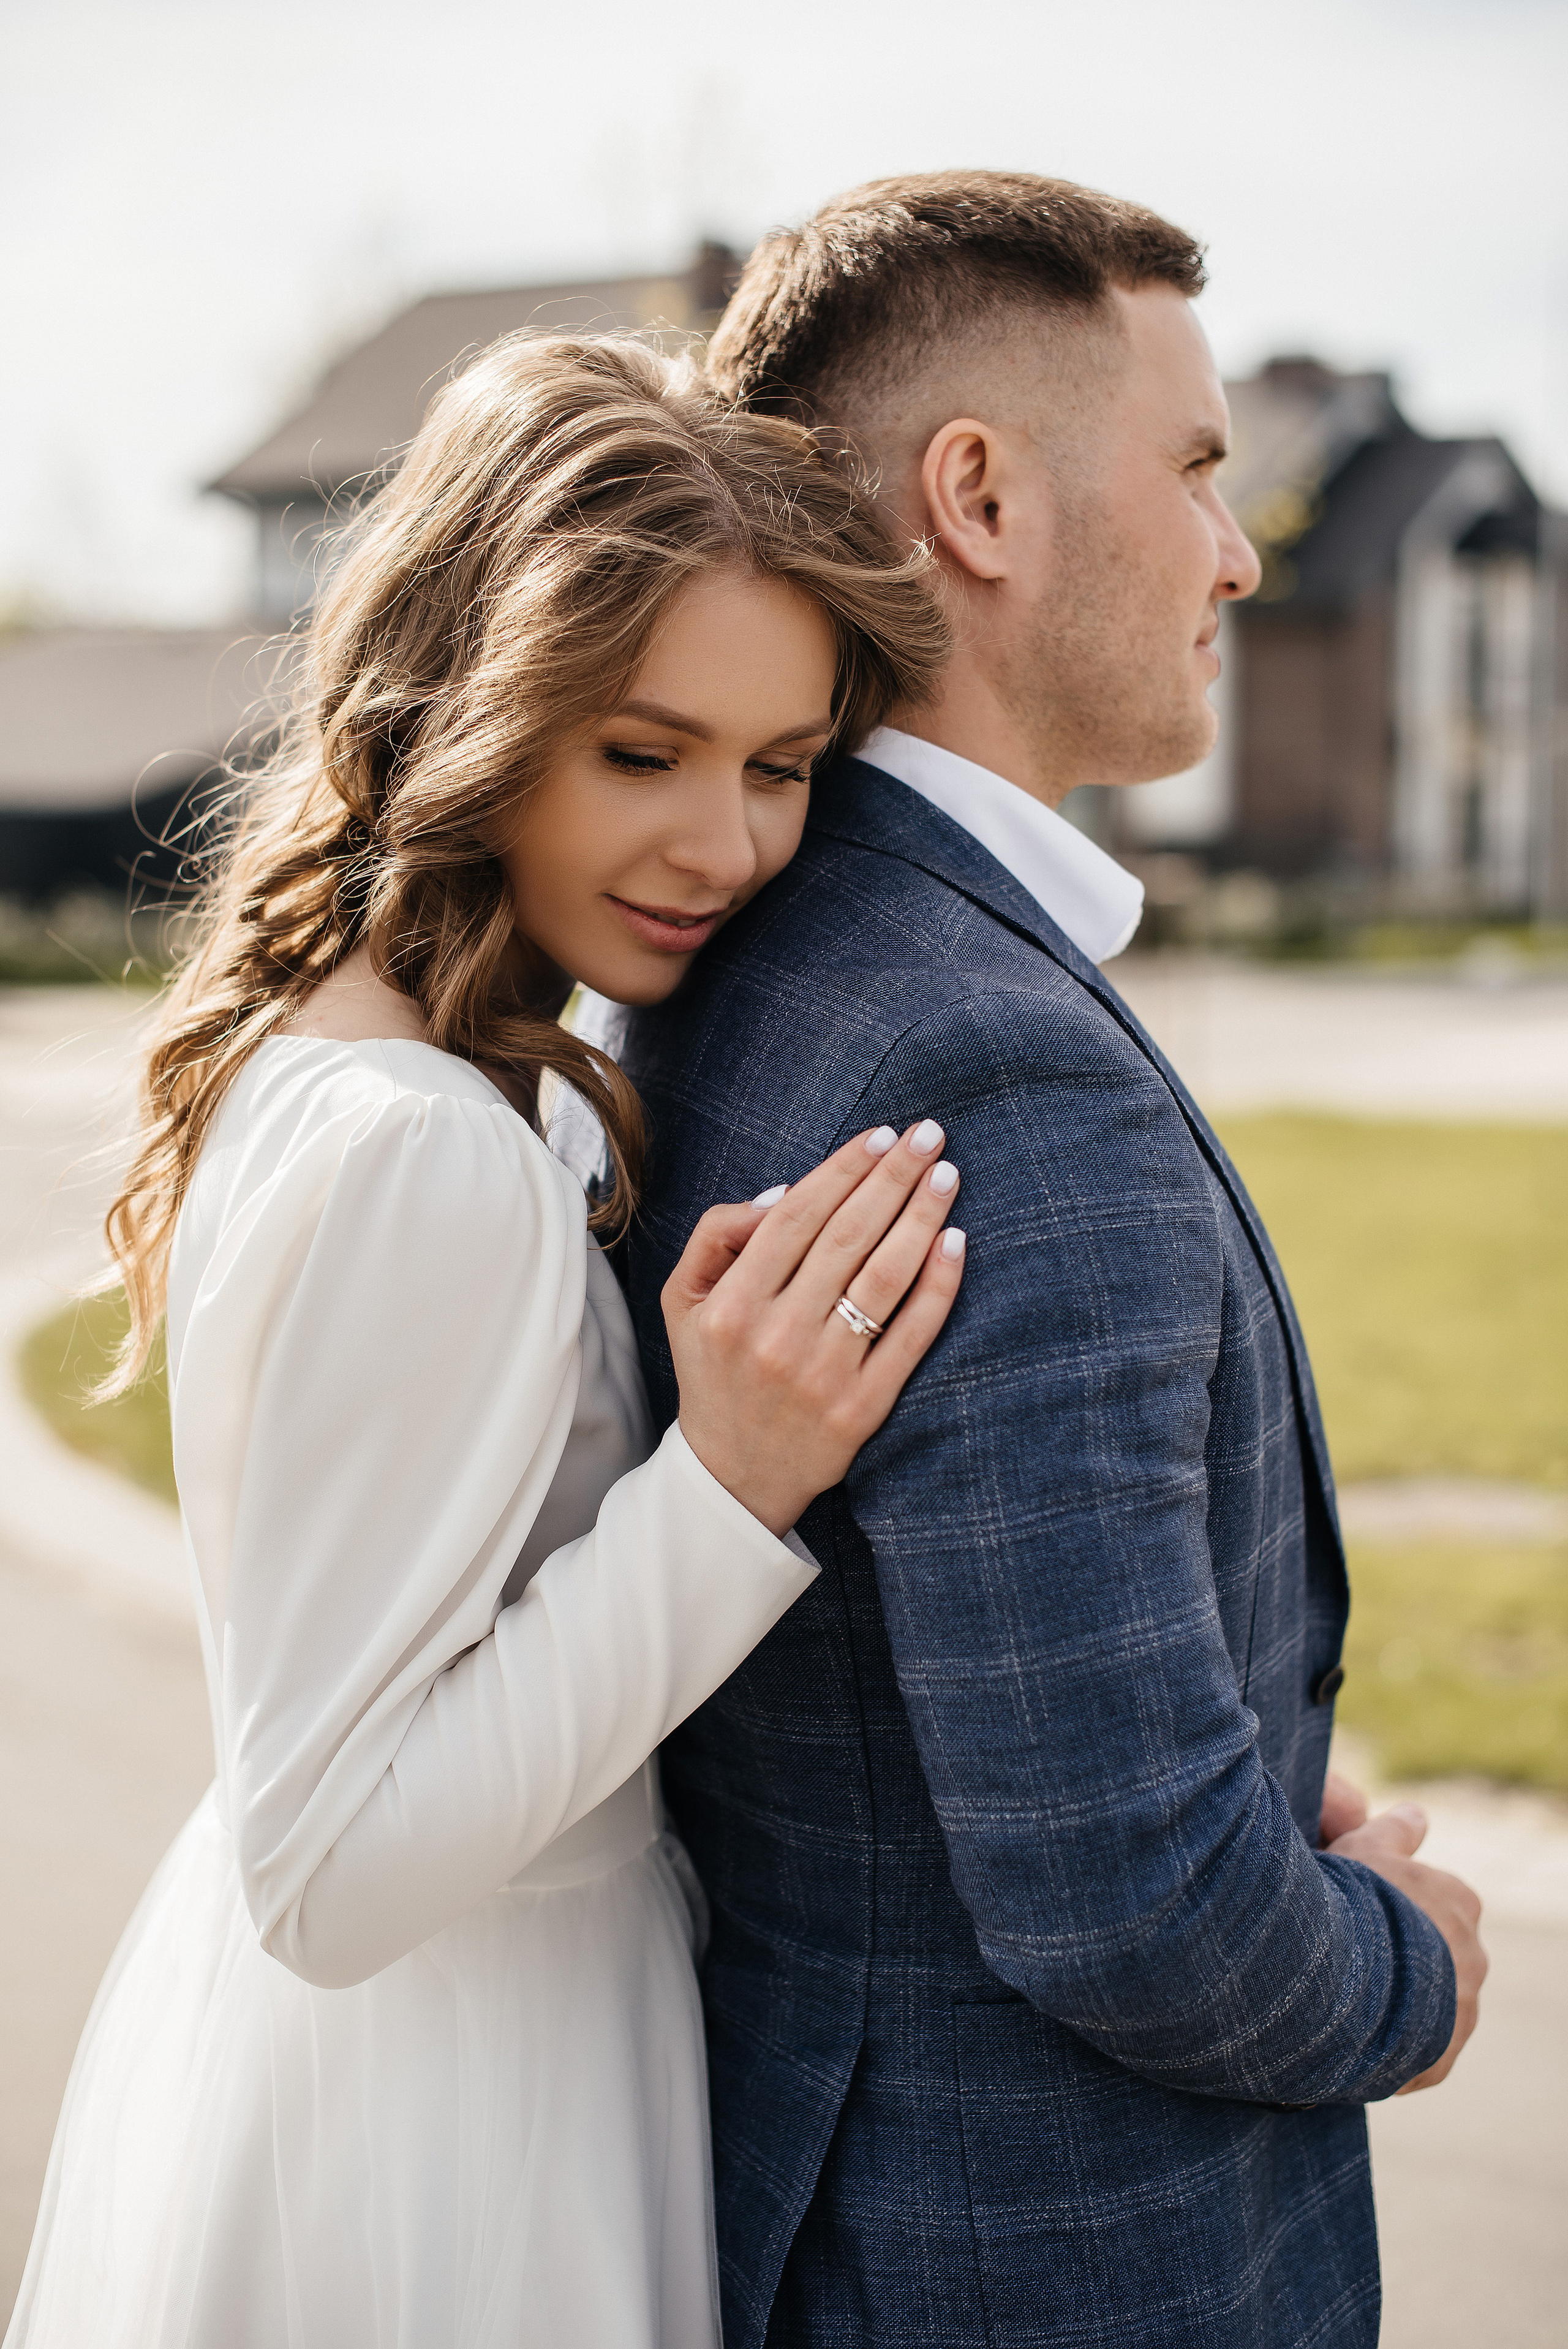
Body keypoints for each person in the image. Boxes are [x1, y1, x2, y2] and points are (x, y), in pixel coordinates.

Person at [5, 335, 967, 2349]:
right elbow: (330, 1869)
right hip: (451, 2126)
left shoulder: (417, 1060)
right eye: (644, 751)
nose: (727, 844)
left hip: (463, 2051)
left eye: (781, 766)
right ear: (466, 710)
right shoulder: (420, 1146)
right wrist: (726, 1487)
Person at [618, 174, 1488, 2349]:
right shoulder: (980, 1060)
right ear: (981, 499)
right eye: (1197, 468)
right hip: (1043, 2264)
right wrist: (1412, 1955)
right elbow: (1139, 1899)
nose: (1240, 547)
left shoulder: (771, 950)